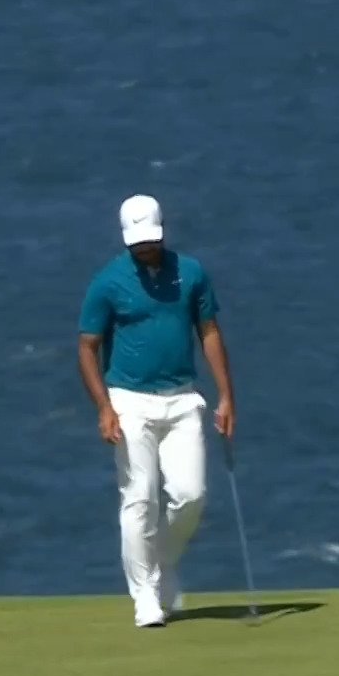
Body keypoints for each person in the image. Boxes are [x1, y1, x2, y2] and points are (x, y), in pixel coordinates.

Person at [77, 195, 236, 628]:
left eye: (150, 239)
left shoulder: (191, 273)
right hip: (129, 401)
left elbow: (209, 331)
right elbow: (87, 348)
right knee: (139, 496)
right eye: (137, 242)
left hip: (183, 398)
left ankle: (162, 563)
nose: (144, 248)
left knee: (191, 495)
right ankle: (144, 593)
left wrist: (226, 397)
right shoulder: (108, 282)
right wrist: (104, 408)